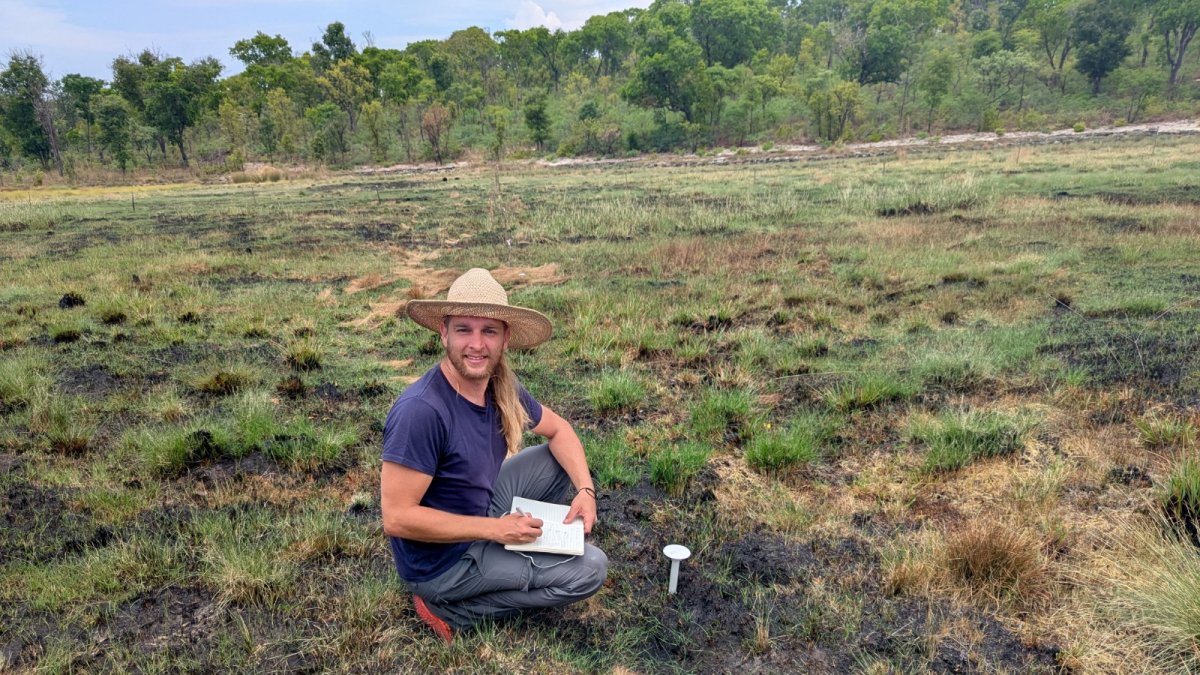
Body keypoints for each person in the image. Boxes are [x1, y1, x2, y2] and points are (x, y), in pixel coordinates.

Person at [380, 268, 608, 643]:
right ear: (444, 333)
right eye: (464, 329)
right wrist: (495, 530)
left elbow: (560, 431)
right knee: (591, 569)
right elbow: (397, 518)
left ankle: (506, 550)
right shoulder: (420, 412)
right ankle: (452, 610)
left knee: (557, 460)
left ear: (505, 338)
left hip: (480, 509)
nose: (476, 344)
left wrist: (586, 490)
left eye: (489, 331)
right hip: (443, 563)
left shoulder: (500, 384)